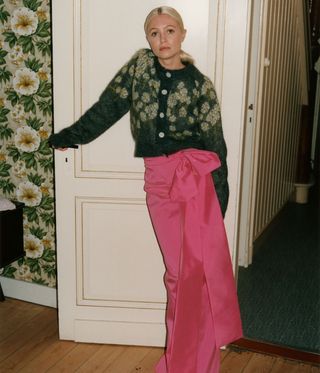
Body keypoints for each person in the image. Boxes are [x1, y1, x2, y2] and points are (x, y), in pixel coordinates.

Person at [49, 6, 242, 373]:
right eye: (154, 33)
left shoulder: (200, 85)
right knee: (178, 275)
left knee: (193, 276)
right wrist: (71, 137)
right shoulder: (139, 67)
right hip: (158, 178)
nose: (162, 39)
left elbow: (216, 148)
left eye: (170, 31)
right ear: (147, 38)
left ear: (183, 34)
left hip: (195, 182)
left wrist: (219, 204)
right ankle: (183, 360)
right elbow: (108, 107)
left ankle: (197, 362)